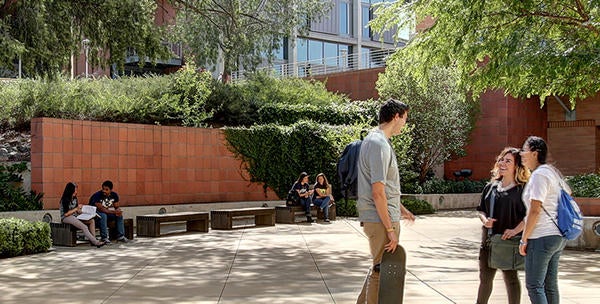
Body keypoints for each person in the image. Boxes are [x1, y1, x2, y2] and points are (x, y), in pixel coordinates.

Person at [356, 99, 416, 304]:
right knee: (380, 272)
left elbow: (385, 190)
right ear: (396, 116)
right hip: (380, 219)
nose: (404, 124)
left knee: (378, 264)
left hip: (382, 216)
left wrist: (401, 208)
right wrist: (390, 229)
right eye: (405, 119)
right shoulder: (378, 144)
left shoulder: (377, 142)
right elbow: (377, 192)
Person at [476, 147, 530, 304]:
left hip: (509, 243)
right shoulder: (490, 187)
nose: (503, 163)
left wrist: (515, 231)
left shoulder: (523, 189)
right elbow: (481, 210)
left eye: (508, 161)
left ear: (517, 166)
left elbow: (530, 216)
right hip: (489, 242)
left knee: (511, 279)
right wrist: (485, 220)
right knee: (485, 280)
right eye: (501, 159)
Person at [519, 136, 568, 304]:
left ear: (535, 153)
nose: (521, 154)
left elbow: (535, 210)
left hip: (541, 237)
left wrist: (524, 239)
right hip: (557, 236)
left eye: (524, 150)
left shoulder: (539, 175)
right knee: (549, 285)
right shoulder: (551, 172)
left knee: (534, 285)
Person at [59, 182, 105, 248]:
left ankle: (93, 240)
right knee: (84, 227)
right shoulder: (65, 199)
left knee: (91, 221)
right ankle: (96, 242)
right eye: (75, 190)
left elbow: (77, 210)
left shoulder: (75, 199)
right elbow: (66, 213)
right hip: (66, 218)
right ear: (70, 190)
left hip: (75, 216)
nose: (76, 192)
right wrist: (76, 208)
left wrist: (85, 212)